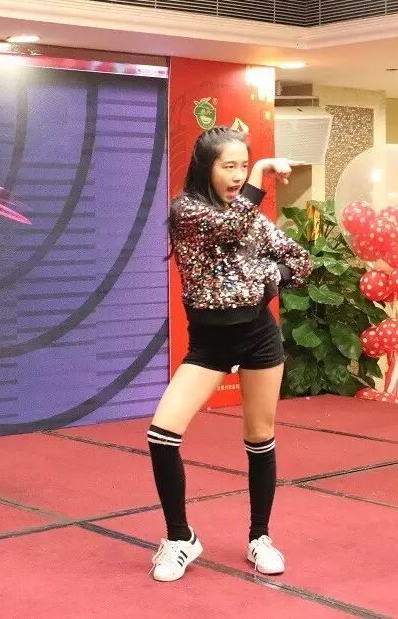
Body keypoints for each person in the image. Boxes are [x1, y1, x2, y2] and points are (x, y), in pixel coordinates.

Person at [148, 127, 313, 582]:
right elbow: (230, 226)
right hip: (210, 343)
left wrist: (268, 278)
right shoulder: (188, 210)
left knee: (260, 437)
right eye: (229, 166)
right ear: (207, 167)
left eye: (243, 166)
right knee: (162, 434)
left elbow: (299, 260)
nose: (238, 176)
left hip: (258, 337)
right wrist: (262, 172)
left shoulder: (251, 218)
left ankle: (260, 537)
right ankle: (180, 538)